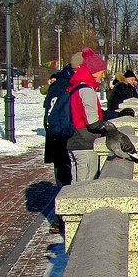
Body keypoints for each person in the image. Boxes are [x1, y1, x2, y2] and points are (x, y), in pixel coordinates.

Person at [65, 47, 111, 183]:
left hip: (74, 141)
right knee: (85, 185)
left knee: (75, 183)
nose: (103, 76)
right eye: (102, 72)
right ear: (94, 72)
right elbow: (93, 123)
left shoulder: (76, 86)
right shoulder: (87, 90)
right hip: (84, 144)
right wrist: (110, 128)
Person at [41, 50, 84, 187]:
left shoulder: (64, 81)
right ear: (79, 68)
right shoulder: (66, 85)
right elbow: (58, 113)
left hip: (60, 133)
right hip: (63, 135)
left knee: (63, 171)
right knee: (65, 174)